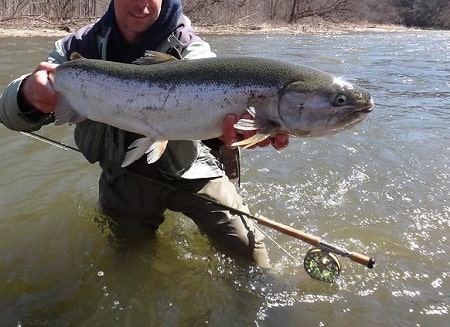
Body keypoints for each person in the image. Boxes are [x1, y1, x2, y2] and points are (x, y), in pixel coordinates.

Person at [0, 0, 289, 267]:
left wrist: (235, 131)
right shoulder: (77, 46)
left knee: (251, 257)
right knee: (130, 265)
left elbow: (209, 69)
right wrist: (28, 94)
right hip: (124, 176)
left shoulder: (188, 45)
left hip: (191, 169)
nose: (140, 2)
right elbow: (7, 113)